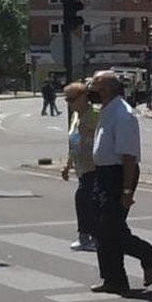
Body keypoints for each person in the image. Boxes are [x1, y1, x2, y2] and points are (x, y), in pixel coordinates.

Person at [87, 70, 152, 294]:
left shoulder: (123, 114)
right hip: (103, 174)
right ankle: (113, 279)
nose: (92, 89)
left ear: (108, 89)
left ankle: (149, 257)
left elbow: (129, 157)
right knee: (102, 228)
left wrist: (127, 190)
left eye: (96, 85)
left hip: (118, 175)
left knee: (111, 228)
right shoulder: (107, 110)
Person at [60, 82, 101, 252]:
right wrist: (67, 165)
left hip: (95, 165)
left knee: (85, 199)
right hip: (81, 166)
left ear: (83, 98)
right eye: (67, 99)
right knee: (85, 201)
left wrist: (90, 133)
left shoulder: (96, 114)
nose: (68, 103)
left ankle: (92, 237)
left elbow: (105, 137)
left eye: (71, 99)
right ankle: (86, 236)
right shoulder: (75, 116)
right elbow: (74, 141)